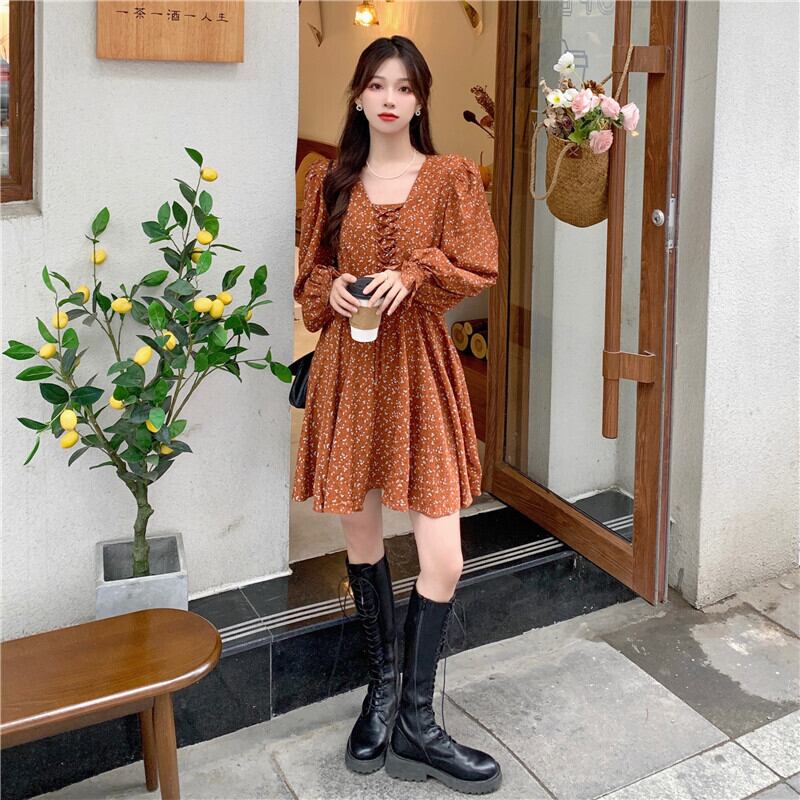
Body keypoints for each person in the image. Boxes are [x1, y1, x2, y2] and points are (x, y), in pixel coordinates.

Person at [292, 35, 501, 794]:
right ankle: (385, 696)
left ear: (419, 101)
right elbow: (309, 278)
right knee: (362, 535)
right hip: (350, 370)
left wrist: (414, 273)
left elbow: (479, 265)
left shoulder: (449, 177)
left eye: (404, 87)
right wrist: (331, 288)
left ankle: (416, 716)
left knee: (444, 557)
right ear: (358, 95)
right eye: (377, 85)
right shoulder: (328, 180)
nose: (389, 98)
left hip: (419, 368)